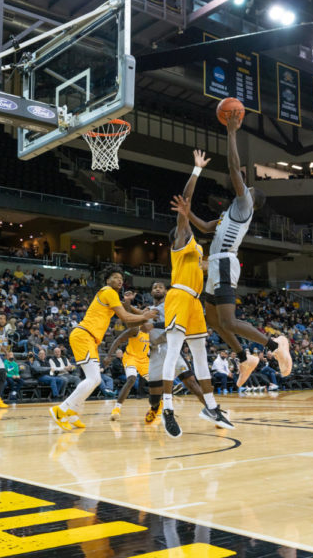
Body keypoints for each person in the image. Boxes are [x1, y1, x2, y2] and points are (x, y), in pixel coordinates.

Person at [185, 115, 291, 385]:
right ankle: (245, 358)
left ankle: (274, 345)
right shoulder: (230, 212)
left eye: (248, 188)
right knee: (215, 320)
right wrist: (188, 215)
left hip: (223, 263)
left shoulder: (244, 204)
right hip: (216, 262)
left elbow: (234, 169)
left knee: (229, 322)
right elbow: (208, 227)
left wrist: (231, 133)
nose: (245, 189)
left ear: (252, 198)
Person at [161, 150, 233, 439]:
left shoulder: (196, 250)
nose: (188, 226)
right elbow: (186, 204)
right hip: (179, 297)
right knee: (175, 352)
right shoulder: (180, 240)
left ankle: (211, 406)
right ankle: (168, 408)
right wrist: (196, 170)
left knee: (201, 355)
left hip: (194, 301)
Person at [49, 265, 157, 431]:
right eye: (115, 277)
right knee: (94, 379)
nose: (119, 280)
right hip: (84, 335)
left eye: (121, 278)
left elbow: (130, 311)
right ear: (107, 280)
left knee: (94, 379)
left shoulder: (112, 296)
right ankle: (61, 410)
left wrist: (141, 311)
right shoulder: (108, 291)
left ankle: (72, 413)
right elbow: (125, 316)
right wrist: (144, 316)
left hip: (88, 338)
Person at [142, 281, 208, 425]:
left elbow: (174, 323)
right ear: (151, 292)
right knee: (153, 397)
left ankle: (211, 409)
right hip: (154, 352)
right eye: (154, 287)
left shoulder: (170, 305)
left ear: (166, 291)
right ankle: (155, 407)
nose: (157, 289)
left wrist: (152, 324)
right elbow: (138, 326)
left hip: (170, 347)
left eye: (160, 287)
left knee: (191, 383)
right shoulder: (149, 310)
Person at [107, 321, 152, 420]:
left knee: (156, 383)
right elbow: (118, 339)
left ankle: (157, 408)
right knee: (132, 379)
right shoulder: (136, 329)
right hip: (131, 357)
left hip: (144, 360)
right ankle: (116, 408)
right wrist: (109, 356)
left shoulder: (153, 331)